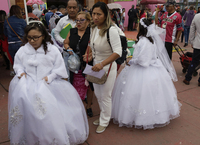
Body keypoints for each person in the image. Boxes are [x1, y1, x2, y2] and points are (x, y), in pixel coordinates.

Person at [8, 20, 89, 145]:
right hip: (27, 82)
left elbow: (59, 68)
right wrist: (20, 72)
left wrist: (50, 77)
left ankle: (52, 136)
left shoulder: (52, 50)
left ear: (43, 36)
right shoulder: (22, 50)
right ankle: (32, 136)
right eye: (29, 38)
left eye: (36, 37)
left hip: (49, 82)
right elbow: (18, 65)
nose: (32, 41)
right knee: (25, 103)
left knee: (49, 109)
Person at [111, 18, 181, 130]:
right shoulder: (151, 40)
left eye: (138, 25)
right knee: (152, 95)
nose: (137, 26)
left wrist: (130, 61)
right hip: (154, 68)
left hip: (143, 70)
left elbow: (143, 62)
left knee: (139, 94)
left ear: (142, 28)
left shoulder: (143, 42)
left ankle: (141, 118)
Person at [85, 2, 122, 133]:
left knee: (105, 96)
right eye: (93, 14)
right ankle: (103, 116)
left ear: (105, 15)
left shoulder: (111, 30)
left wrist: (101, 64)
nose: (95, 17)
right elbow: (92, 46)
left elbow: (118, 52)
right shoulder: (94, 28)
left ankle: (105, 121)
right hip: (96, 66)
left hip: (107, 67)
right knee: (99, 95)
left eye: (98, 14)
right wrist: (89, 55)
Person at [64, 11, 94, 117]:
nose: (79, 22)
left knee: (90, 85)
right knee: (76, 85)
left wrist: (92, 53)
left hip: (90, 63)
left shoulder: (92, 32)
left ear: (88, 21)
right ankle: (78, 106)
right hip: (75, 64)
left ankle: (89, 106)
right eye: (77, 20)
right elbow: (65, 42)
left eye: (82, 20)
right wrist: (68, 48)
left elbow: (97, 46)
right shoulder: (72, 31)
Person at [4, 5, 26, 76]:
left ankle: (18, 76)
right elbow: (26, 31)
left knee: (15, 62)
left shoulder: (6, 21)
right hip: (21, 43)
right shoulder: (22, 20)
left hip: (11, 44)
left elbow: (5, 33)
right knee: (24, 62)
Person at [183, 13, 200, 86]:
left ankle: (187, 78)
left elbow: (192, 30)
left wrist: (192, 41)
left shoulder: (197, 16)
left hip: (198, 43)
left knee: (194, 62)